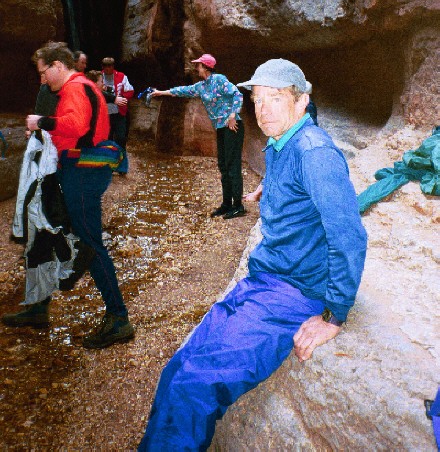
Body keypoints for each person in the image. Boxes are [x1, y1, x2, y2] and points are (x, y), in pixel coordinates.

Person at [138, 58, 367, 451]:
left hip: (293, 291)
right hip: (264, 279)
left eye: (275, 98)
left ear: (301, 102)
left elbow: (350, 236)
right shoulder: (282, 144)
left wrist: (334, 314)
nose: (262, 109)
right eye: (257, 99)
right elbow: (295, 189)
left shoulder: (315, 153)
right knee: (178, 367)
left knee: (195, 387)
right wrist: (271, 189)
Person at [21, 41, 134, 349]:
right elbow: (74, 129)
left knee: (89, 243)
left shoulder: (74, 88)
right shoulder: (82, 87)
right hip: (80, 170)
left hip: (81, 172)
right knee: (56, 231)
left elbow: (76, 123)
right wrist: (46, 134)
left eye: (44, 73)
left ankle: (119, 318)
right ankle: (39, 304)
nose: (42, 80)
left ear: (58, 65)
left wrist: (40, 122)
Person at [151, 53, 245, 219]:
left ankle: (238, 206)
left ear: (206, 67)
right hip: (221, 128)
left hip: (233, 126)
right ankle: (226, 204)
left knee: (232, 166)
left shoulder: (219, 79)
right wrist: (161, 93)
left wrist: (232, 115)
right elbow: (182, 91)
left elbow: (237, 95)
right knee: (223, 166)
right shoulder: (202, 86)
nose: (196, 68)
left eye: (198, 65)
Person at [101, 57, 134, 175]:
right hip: (105, 115)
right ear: (103, 67)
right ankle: (108, 166)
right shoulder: (100, 78)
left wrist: (121, 98)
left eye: (110, 66)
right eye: (106, 66)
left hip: (119, 113)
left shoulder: (121, 76)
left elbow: (130, 90)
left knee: (121, 138)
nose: (108, 68)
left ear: (113, 66)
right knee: (107, 140)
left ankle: (122, 167)